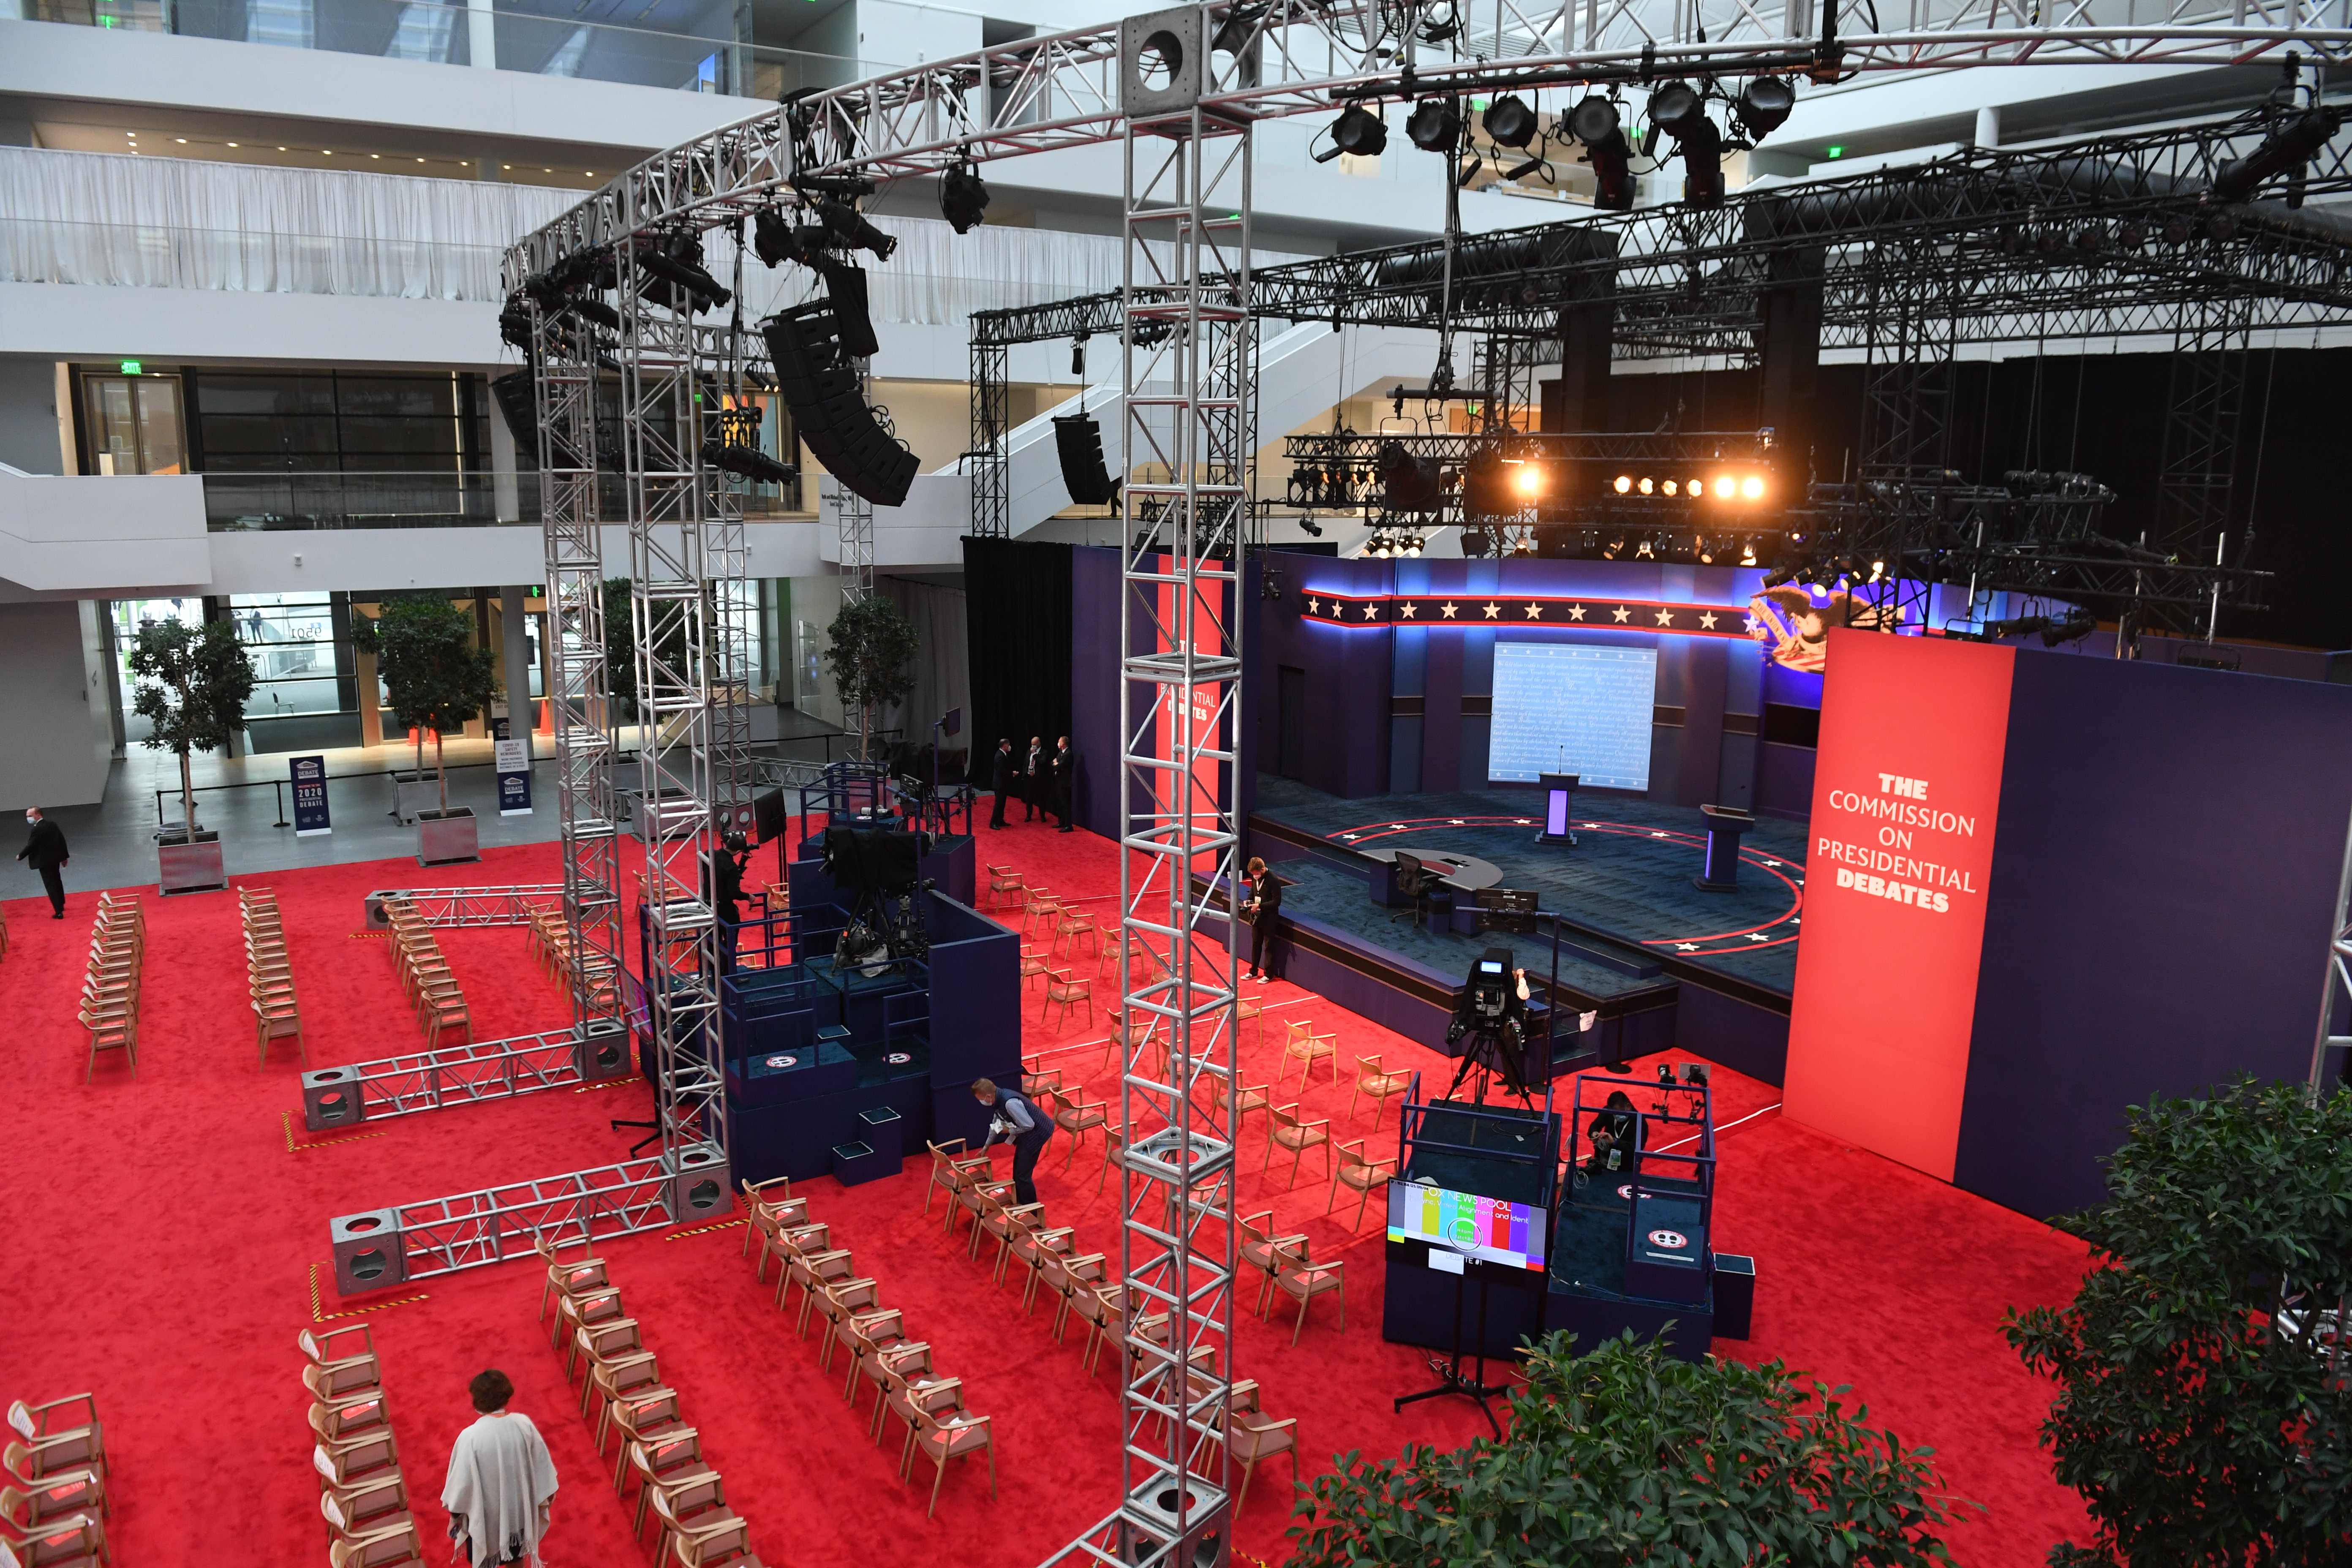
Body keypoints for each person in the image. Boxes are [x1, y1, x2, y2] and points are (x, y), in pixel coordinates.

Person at [441, 1368, 558, 1568]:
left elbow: (461, 1485)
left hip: (485, 1517)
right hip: (518, 1511)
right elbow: (543, 1470)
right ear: (506, 1395)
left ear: (477, 1400)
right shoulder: (524, 1424)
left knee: (485, 1559)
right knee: (517, 1557)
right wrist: (544, 1500)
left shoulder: (470, 1437)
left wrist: (455, 1517)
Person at [972, 1075, 1054, 1206]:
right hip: (1027, 1133)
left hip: (1037, 1133)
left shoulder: (1010, 1103)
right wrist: (986, 1148)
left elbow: (1029, 1125)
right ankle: (1021, 1203)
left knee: (1022, 1176)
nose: (981, 1102)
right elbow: (995, 1126)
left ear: (988, 1097)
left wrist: (1009, 1131)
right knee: (1018, 1172)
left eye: (980, 1100)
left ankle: (1032, 1210)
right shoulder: (997, 1100)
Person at [16, 806, 68, 920]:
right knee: (57, 880)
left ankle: (58, 911)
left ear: (38, 815)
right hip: (55, 860)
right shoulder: (52, 825)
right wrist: (64, 858)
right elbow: (61, 841)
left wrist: (21, 856)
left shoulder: (36, 829)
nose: (28, 818)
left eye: (30, 816)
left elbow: (31, 845)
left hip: (44, 862)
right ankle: (62, 903)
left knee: (50, 885)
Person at [1585, 1089, 1644, 1177]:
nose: (1615, 1115)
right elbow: (1595, 1125)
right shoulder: (1609, 1111)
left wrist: (1615, 1142)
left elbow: (1635, 1149)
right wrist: (1594, 1133)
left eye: (1617, 1112)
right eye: (1613, 1112)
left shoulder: (1640, 1122)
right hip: (1604, 1161)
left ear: (1628, 1107)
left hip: (1626, 1168)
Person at [1243, 855, 1284, 981]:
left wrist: (1260, 906)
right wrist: (1248, 901)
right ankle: (1253, 971)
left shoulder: (1274, 880)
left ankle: (1268, 974)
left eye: (1256, 874)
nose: (1255, 876)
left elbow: (1277, 902)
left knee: (1269, 947)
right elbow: (1253, 891)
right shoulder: (1256, 878)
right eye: (1253, 874)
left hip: (1269, 919)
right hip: (1257, 918)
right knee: (1256, 944)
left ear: (1262, 870)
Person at [988, 737, 1018, 830]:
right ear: (1005, 746)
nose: (1009, 747)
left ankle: (1000, 820)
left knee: (1002, 803)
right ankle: (993, 823)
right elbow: (1002, 771)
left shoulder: (1002, 754)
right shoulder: (1000, 756)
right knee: (999, 804)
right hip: (999, 785)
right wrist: (1012, 773)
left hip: (1002, 784)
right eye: (1008, 746)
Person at [1051, 735, 1076, 833]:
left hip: (1065, 783)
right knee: (1060, 804)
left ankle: (1068, 825)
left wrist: (1057, 764)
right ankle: (1061, 822)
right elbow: (1053, 763)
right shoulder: (1061, 753)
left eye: (1059, 742)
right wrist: (1055, 764)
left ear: (1063, 744)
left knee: (1066, 805)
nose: (1058, 743)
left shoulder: (1068, 754)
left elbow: (1060, 766)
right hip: (1059, 782)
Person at [1022, 736, 1045, 822]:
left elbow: (1042, 762)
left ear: (1039, 743)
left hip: (1038, 779)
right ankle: (1029, 815)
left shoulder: (1043, 752)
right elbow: (1025, 763)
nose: (1033, 746)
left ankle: (1042, 816)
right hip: (1029, 778)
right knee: (1029, 798)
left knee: (1041, 798)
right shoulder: (1029, 752)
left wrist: (1035, 754)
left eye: (1035, 745)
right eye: (1032, 745)